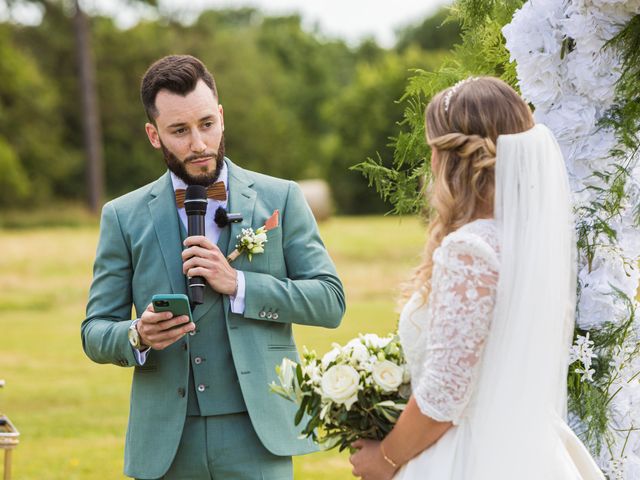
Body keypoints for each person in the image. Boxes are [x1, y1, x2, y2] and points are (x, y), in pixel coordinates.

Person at [81, 54, 345, 480]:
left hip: (259, 432)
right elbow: (94, 332)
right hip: (167, 441)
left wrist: (239, 283)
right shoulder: (122, 216)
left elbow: (331, 301)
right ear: (154, 135)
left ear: (221, 116)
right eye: (179, 131)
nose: (199, 143)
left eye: (206, 124)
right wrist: (137, 334)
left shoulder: (282, 198)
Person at [349, 77, 604, 479]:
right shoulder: (526, 243)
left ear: (448, 159)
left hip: (466, 457)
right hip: (527, 448)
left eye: (432, 149)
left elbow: (445, 396)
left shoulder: (470, 249)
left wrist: (385, 459)